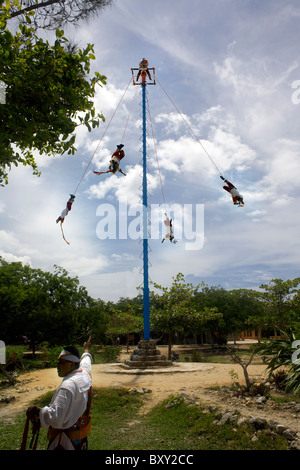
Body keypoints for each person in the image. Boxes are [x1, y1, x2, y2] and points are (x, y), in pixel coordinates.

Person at [26, 338, 93, 450]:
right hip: (81, 440)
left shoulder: (67, 386)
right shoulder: (85, 374)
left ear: (72, 364)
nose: (57, 365)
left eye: (61, 363)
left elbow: (56, 419)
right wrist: (86, 349)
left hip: (65, 442)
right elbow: (86, 361)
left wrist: (38, 410)